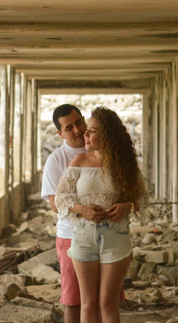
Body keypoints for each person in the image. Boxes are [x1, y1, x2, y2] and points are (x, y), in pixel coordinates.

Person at [56, 107, 147, 323]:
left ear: (107, 134)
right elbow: (62, 198)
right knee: (87, 303)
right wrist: (82, 209)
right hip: (83, 239)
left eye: (92, 131)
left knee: (108, 302)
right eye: (88, 130)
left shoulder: (125, 165)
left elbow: (143, 199)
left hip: (116, 239)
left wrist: (128, 206)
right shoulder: (79, 161)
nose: (85, 134)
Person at [41, 104, 89, 323]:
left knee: (103, 299)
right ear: (60, 134)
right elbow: (54, 203)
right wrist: (83, 209)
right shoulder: (56, 160)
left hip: (106, 234)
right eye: (69, 127)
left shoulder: (103, 150)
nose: (77, 130)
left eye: (79, 122)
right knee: (73, 302)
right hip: (71, 236)